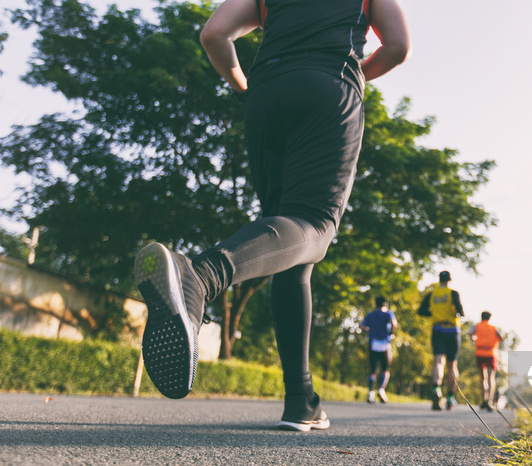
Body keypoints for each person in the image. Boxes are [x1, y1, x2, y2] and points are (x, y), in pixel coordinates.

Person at [134, 0, 411, 432]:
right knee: (314, 226)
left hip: (266, 95)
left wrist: (243, 83)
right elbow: (396, 46)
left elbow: (214, 35)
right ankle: (202, 276)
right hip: (329, 84)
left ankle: (301, 401)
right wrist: (355, 73)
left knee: (289, 245)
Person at [417, 271, 464, 411]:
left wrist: (434, 313)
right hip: (452, 330)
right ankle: (450, 398)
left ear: (439, 280)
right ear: (450, 279)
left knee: (438, 361)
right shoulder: (453, 293)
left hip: (437, 329)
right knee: (452, 365)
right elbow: (461, 311)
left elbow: (421, 311)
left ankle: (436, 389)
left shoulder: (432, 294)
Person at [360, 296, 398, 403]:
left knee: (372, 370)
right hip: (384, 343)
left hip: (373, 343)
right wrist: (392, 333)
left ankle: (370, 392)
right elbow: (394, 323)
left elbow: (362, 326)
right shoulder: (388, 313)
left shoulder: (370, 315)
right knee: (385, 369)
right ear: (385, 304)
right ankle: (381, 389)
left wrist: (368, 329)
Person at [468, 311, 502, 411]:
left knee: (483, 378)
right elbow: (500, 337)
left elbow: (470, 333)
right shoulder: (493, 328)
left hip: (480, 352)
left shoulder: (477, 326)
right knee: (491, 377)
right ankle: (489, 400)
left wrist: (475, 339)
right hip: (491, 353)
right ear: (489, 318)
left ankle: (484, 399)